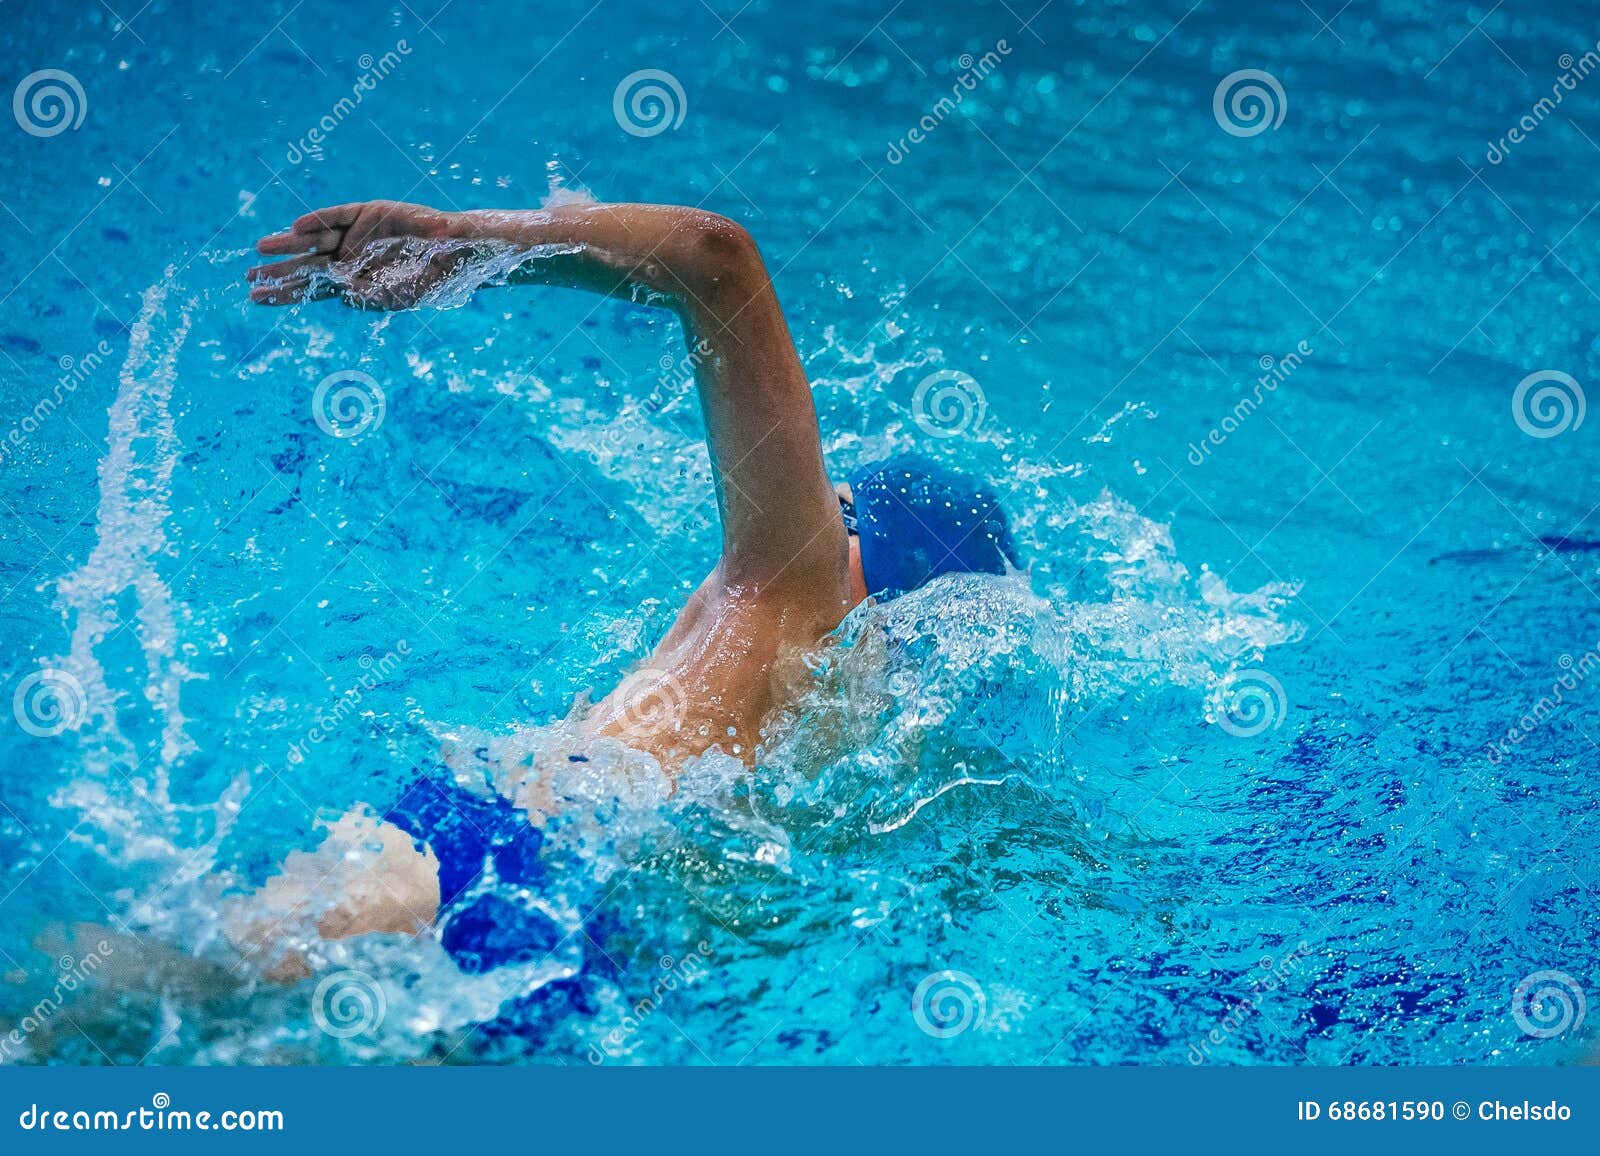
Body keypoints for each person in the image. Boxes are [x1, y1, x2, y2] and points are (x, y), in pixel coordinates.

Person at [237, 199, 1019, 977]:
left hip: (486, 842)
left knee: (200, 993)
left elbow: (717, 258)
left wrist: (469, 243)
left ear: (858, 542)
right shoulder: (864, 767)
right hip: (594, 943)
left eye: (837, 501)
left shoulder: (789, 584)